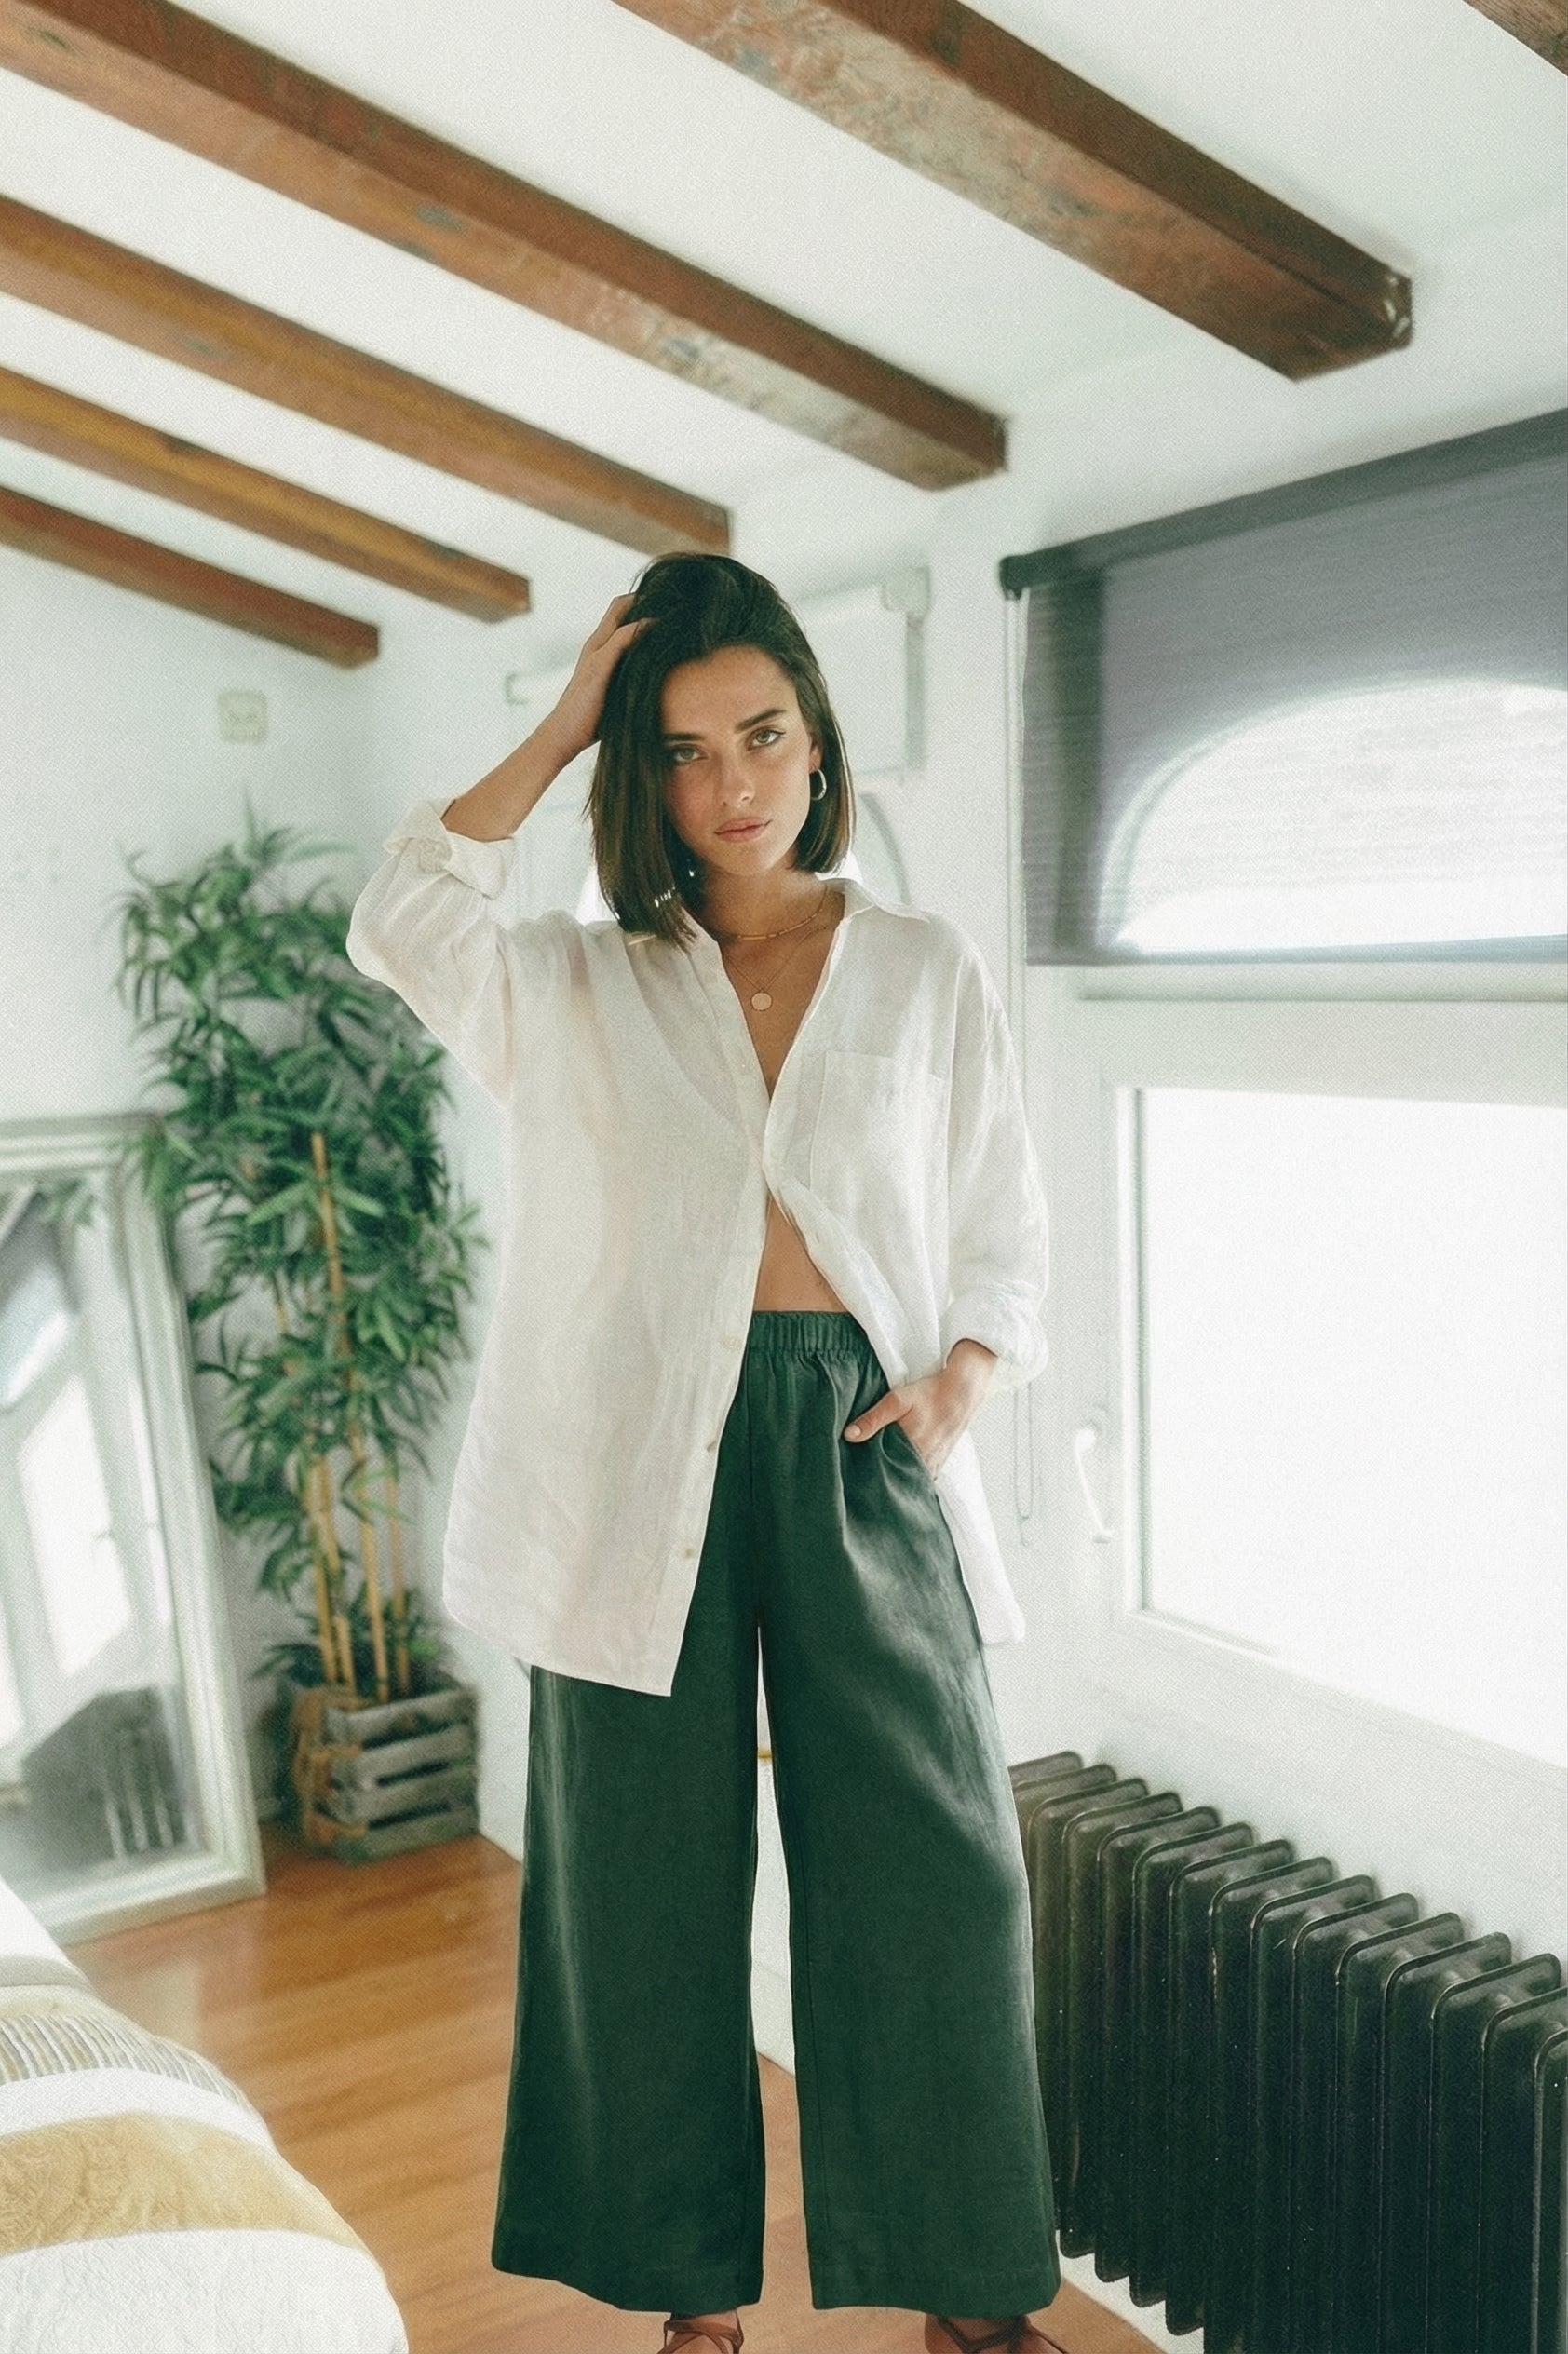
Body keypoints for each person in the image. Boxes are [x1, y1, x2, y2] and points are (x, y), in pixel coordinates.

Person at [345, 554, 1065, 2354]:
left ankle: (973, 2299)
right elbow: (401, 916)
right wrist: (566, 716)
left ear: (818, 738)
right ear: (639, 775)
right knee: (639, 1894)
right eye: (679, 750)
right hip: (628, 1462)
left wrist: (968, 1374)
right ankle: (690, 2305)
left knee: (938, 1881)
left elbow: (1003, 1216)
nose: (732, 782)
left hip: (859, 1439)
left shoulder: (923, 967)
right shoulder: (574, 980)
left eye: (761, 734)